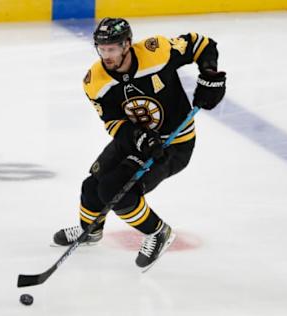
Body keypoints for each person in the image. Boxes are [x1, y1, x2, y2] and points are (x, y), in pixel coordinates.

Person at [53, 17, 226, 271]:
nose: (106, 55)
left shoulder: (157, 51)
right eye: (101, 49)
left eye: (111, 48)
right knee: (92, 186)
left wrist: (209, 72)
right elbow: (113, 122)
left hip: (172, 144)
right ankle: (90, 231)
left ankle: (158, 233)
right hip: (135, 140)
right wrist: (137, 138)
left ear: (126, 45)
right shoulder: (95, 81)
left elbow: (201, 44)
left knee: (115, 191)